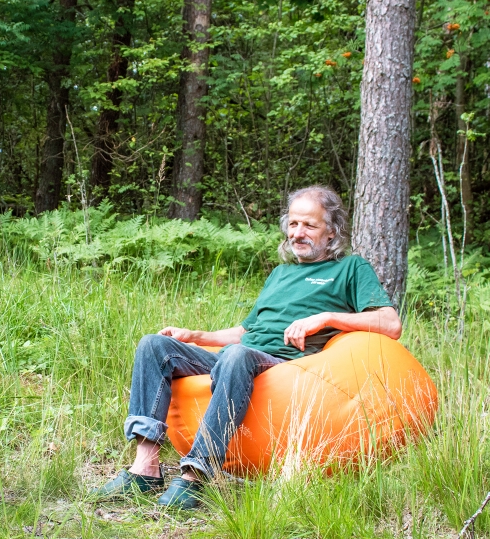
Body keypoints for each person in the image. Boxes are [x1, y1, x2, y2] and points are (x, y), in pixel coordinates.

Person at [92, 186, 402, 509]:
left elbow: (390, 324)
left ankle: (198, 474)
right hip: (238, 358)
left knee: (238, 357)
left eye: (309, 225)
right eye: (293, 224)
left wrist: (324, 319)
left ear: (332, 232)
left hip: (283, 366)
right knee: (154, 346)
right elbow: (245, 332)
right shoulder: (280, 274)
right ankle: (145, 470)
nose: (298, 233)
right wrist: (196, 335)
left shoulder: (350, 269)